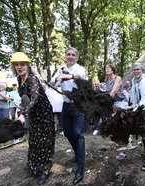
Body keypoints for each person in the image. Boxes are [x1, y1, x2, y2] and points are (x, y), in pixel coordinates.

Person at [10, 51, 55, 185]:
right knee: (34, 139)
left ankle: (45, 170)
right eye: (16, 65)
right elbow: (26, 98)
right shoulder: (19, 79)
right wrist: (24, 109)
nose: (19, 67)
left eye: (22, 64)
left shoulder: (33, 79)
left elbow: (35, 98)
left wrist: (23, 114)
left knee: (44, 141)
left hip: (44, 113)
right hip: (34, 113)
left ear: (28, 65)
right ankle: (34, 165)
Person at [51, 47, 87, 185]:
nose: (71, 56)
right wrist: (56, 78)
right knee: (66, 132)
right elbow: (53, 82)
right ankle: (77, 156)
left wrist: (69, 76)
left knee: (78, 134)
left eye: (73, 55)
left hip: (78, 105)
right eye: (68, 54)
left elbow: (79, 77)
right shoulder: (61, 68)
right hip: (65, 105)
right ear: (66, 56)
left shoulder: (80, 68)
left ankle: (81, 169)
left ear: (77, 57)